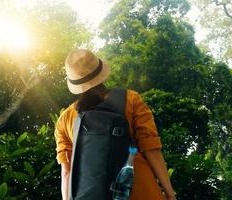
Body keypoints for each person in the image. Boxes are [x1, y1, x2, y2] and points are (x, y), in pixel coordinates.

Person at [54, 49, 176, 200]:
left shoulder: (65, 120)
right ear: (101, 72)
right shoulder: (131, 99)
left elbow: (67, 172)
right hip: (141, 191)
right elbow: (152, 150)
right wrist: (170, 193)